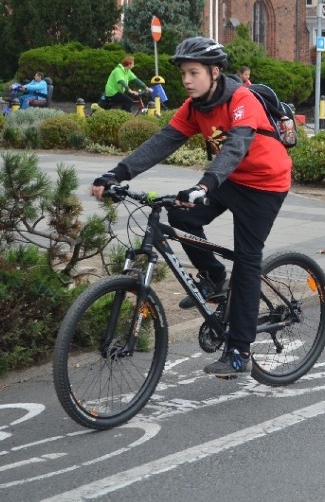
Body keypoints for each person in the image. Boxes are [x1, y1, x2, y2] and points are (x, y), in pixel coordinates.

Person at [90, 37, 291, 377]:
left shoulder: (241, 99)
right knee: (180, 212)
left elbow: (237, 145)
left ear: (215, 72)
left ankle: (240, 352)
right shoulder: (193, 107)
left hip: (264, 186)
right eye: (183, 72)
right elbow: (162, 142)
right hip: (227, 181)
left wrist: (204, 185)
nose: (186, 79)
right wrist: (116, 174)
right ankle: (214, 277)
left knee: (246, 260)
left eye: (193, 72)